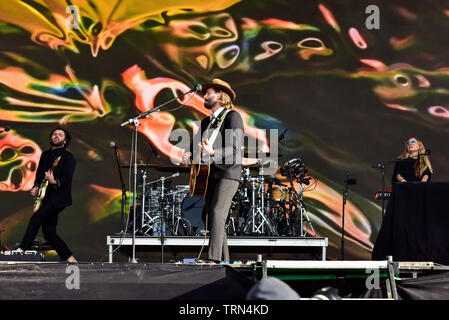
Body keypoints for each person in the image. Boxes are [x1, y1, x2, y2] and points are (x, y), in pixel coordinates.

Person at [182, 79, 244, 263]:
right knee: (211, 217)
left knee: (217, 213)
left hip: (228, 174)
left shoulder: (233, 117)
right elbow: (195, 147)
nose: (204, 95)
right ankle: (224, 261)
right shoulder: (205, 122)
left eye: (208, 92)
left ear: (219, 95)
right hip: (210, 176)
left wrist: (213, 152)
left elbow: (235, 150)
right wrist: (188, 155)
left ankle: (213, 259)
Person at [15, 127, 77, 263]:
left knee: (36, 218)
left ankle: (20, 251)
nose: (56, 136)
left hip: (59, 198)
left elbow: (67, 178)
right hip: (47, 197)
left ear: (65, 141)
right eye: (54, 134)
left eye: (60, 135)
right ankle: (70, 259)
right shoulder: (45, 155)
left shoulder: (68, 157)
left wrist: (54, 181)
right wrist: (36, 186)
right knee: (49, 233)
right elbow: (39, 175)